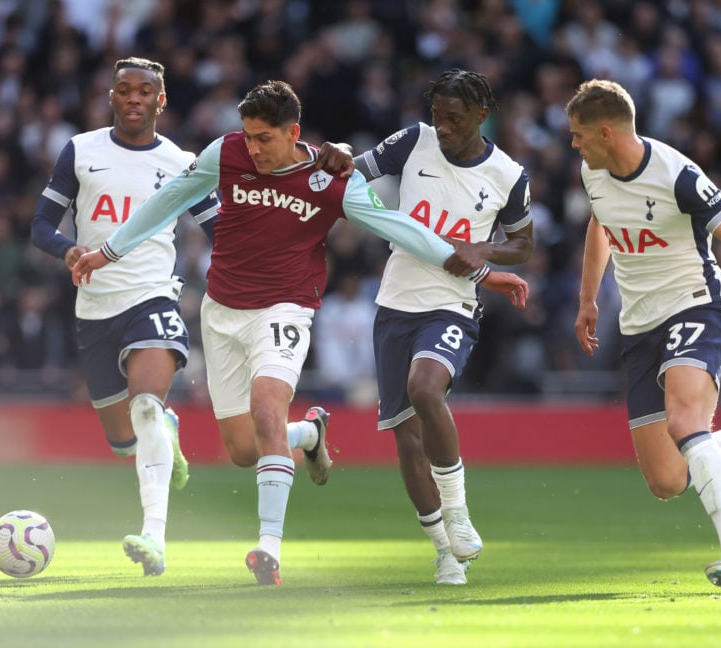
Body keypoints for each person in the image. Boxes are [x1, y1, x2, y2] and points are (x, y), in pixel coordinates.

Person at [72, 80, 529, 585]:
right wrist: (108, 251)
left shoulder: (330, 180)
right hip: (222, 312)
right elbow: (170, 200)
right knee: (244, 451)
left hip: (287, 310)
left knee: (268, 411)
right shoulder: (224, 154)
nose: (253, 148)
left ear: (293, 132)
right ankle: (309, 434)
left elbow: (399, 227)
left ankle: (268, 548)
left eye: (264, 138)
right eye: (247, 136)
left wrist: (483, 271)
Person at [566, 79, 721, 594]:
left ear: (606, 131)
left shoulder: (677, 177)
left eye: (579, 135)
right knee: (668, 480)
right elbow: (600, 225)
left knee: (686, 420)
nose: (574, 145)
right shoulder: (593, 173)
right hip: (638, 326)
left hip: (694, 307)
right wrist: (588, 299)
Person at [30, 57, 219, 577]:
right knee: (123, 442)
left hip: (153, 297)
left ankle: (154, 537)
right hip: (95, 308)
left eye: (144, 91)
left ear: (161, 101)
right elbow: (42, 224)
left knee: (144, 409)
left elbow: (220, 228)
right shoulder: (81, 151)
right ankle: (165, 427)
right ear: (111, 97)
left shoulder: (184, 161)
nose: (133, 98)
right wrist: (68, 250)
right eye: (123, 90)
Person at [350, 69, 534, 585]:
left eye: (455, 118)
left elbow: (524, 244)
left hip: (452, 303)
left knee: (426, 388)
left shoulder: (507, 174)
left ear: (481, 115)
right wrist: (337, 161)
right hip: (395, 301)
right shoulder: (413, 140)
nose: (444, 127)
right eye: (438, 116)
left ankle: (457, 510)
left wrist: (483, 250)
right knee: (407, 441)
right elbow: (356, 172)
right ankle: (444, 551)